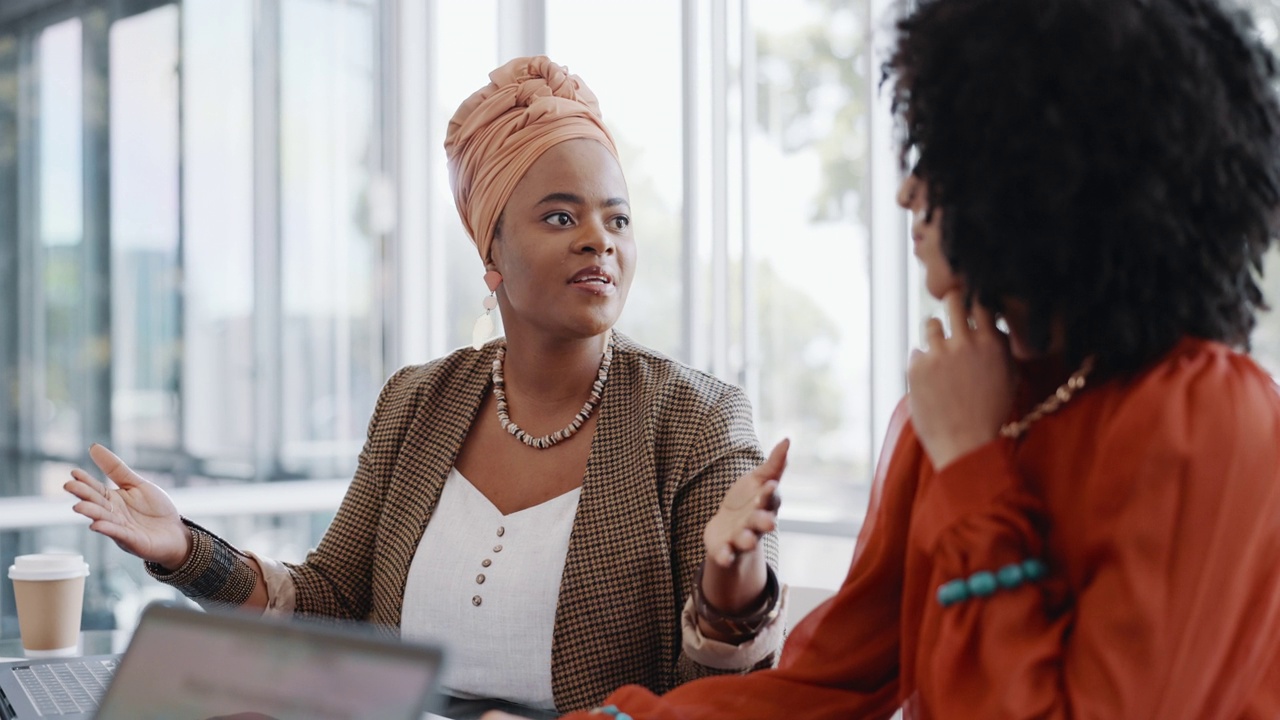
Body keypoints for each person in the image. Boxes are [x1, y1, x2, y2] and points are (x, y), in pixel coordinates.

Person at [482, 0, 1280, 718]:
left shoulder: (1210, 412)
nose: (905, 191)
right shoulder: (957, 398)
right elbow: (823, 688)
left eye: (939, 158)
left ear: (1048, 182)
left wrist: (972, 466)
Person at [64, 56, 789, 719]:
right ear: (492, 252)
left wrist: (734, 591)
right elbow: (329, 602)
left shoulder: (695, 418)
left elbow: (715, 699)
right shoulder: (417, 402)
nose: (599, 239)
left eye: (617, 219)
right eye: (561, 216)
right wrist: (183, 548)